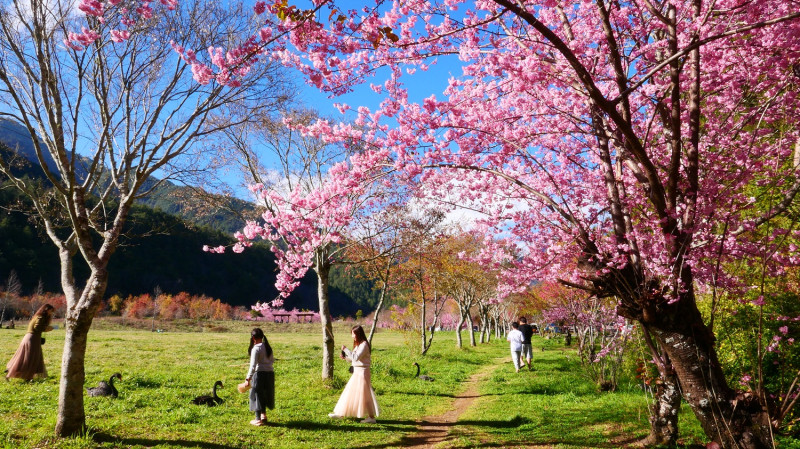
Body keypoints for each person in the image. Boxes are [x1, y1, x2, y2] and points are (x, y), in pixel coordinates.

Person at [328, 325, 380, 423]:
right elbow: (354, 360)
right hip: (357, 372)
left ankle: (371, 417)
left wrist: (346, 350)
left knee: (365, 395)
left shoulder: (364, 344)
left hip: (363, 373)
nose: (352, 336)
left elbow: (356, 358)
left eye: (353, 334)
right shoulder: (359, 345)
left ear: (358, 334)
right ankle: (341, 414)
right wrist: (345, 358)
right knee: (349, 392)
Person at [6, 304, 55, 381]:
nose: (51, 313)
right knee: (31, 358)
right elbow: (37, 327)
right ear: (46, 310)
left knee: (28, 357)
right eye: (51, 311)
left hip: (31, 338)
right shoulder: (40, 317)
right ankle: (18, 372)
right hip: (32, 339)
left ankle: (26, 375)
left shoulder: (37, 316)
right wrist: (47, 328)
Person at [244, 328, 274, 426]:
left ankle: (257, 419)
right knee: (264, 394)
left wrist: (248, 378)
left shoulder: (256, 348)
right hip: (269, 374)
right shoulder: (268, 347)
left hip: (259, 374)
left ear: (253, 338)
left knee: (255, 395)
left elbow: (253, 366)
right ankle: (263, 415)